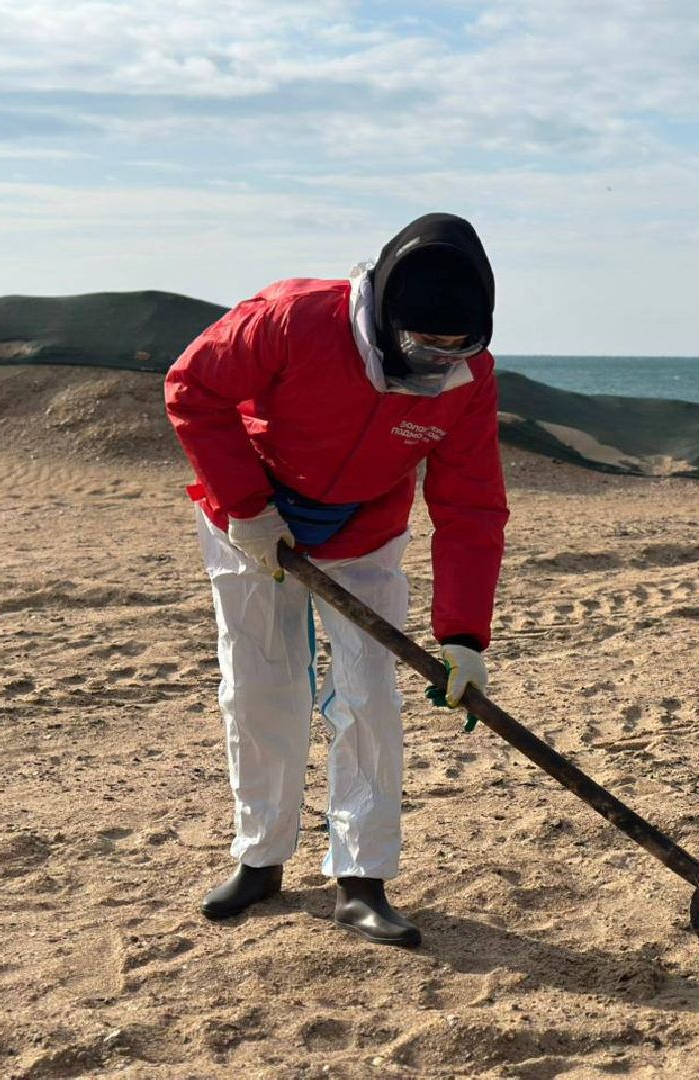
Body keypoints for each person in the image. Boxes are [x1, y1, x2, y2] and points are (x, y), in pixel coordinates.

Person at [165, 213, 509, 948]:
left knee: (368, 694)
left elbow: (471, 504)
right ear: (385, 317)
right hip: (254, 519)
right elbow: (193, 387)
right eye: (423, 346)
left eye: (457, 347)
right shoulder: (292, 320)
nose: (438, 362)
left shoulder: (469, 380)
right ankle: (260, 858)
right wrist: (247, 509)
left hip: (364, 531)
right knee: (260, 684)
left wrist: (463, 635)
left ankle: (362, 879)